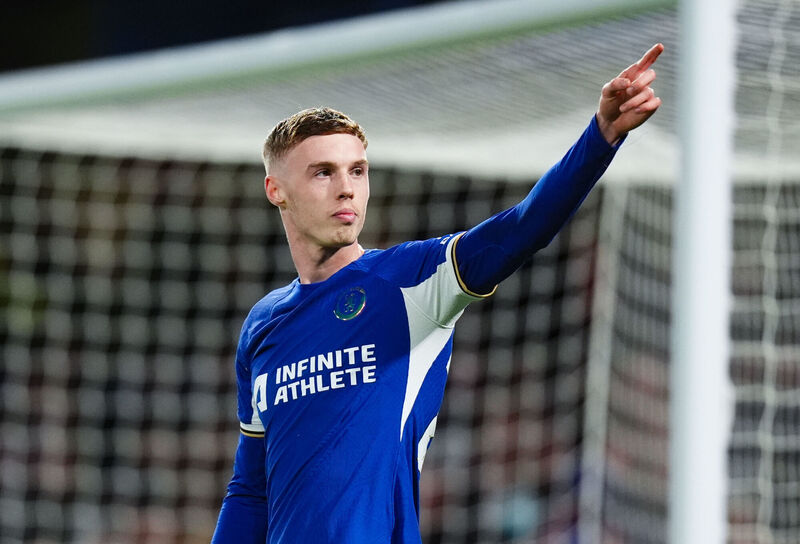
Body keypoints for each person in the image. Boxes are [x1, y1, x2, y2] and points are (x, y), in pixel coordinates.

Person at [212, 44, 664, 543]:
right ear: (276, 189)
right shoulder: (263, 323)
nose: (347, 188)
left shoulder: (409, 280)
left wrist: (600, 138)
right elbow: (251, 489)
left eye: (357, 171)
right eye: (323, 172)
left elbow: (521, 228)